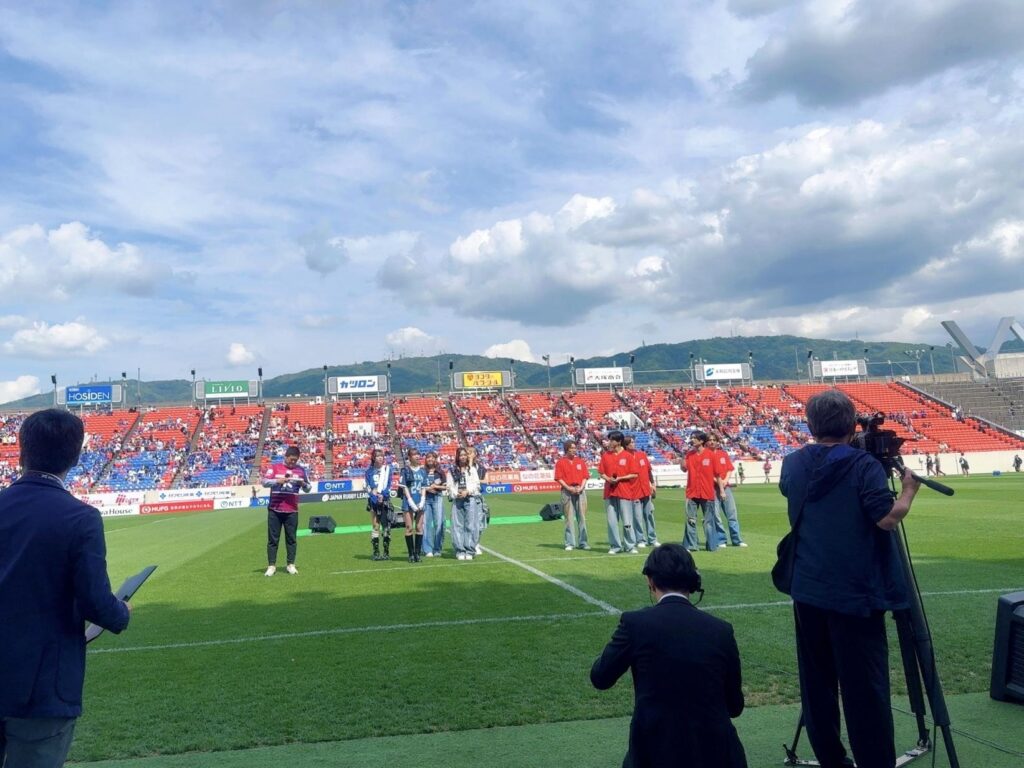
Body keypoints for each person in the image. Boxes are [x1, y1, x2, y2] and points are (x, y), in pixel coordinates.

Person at [779, 389, 920, 768]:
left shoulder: (792, 463)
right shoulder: (863, 465)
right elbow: (886, 518)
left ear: (811, 425)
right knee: (864, 689)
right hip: (856, 593)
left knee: (817, 684)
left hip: (808, 587)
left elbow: (793, 489)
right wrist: (908, 491)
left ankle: (831, 759)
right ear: (851, 425)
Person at [0, 409, 132, 767]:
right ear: (75, 457)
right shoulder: (80, 517)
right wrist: (121, 612)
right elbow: (95, 602)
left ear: (22, 451)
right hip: (42, 687)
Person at [590, 544, 746, 768]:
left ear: (650, 581)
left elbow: (600, 677)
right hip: (717, 755)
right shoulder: (721, 630)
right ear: (694, 582)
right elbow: (734, 706)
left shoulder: (635, 624)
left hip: (655, 752)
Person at [262, 445, 311, 576]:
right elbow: (264, 482)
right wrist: (277, 481)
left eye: (295, 460)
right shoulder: (275, 468)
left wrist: (303, 484)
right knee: (273, 540)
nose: (292, 462)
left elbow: (308, 488)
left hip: (292, 510)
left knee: (291, 539)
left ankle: (290, 564)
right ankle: (271, 566)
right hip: (275, 509)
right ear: (286, 457)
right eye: (291, 459)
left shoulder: (301, 470)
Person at [598, 430, 639, 554]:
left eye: (612, 440)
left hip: (624, 492)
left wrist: (620, 478)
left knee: (627, 521)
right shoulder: (606, 455)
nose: (609, 442)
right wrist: (608, 479)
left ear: (619, 441)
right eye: (609, 440)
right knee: (612, 521)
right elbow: (601, 472)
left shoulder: (628, 456)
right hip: (609, 492)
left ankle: (630, 546)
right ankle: (615, 546)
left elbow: (634, 474)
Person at [683, 432, 722, 552]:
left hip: (707, 493)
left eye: (694, 438)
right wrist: (682, 459)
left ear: (701, 441)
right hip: (692, 492)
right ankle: (692, 545)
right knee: (691, 520)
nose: (692, 440)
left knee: (709, 521)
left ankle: (711, 545)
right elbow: (684, 469)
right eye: (692, 438)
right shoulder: (689, 455)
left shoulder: (711, 455)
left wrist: (722, 490)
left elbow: (718, 474)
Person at [708, 435, 746, 548]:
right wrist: (720, 483)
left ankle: (737, 540)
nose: (712, 442)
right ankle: (721, 540)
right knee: (716, 516)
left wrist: (725, 481)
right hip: (713, 488)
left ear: (717, 442)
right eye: (710, 440)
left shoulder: (723, 454)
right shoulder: (706, 456)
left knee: (732, 514)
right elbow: (708, 473)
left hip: (726, 487)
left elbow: (729, 469)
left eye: (714, 440)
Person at [446, 446, 482, 561]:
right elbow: (449, 486)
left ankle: (469, 550)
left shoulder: (472, 470)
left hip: (470, 499)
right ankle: (460, 550)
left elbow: (477, 485)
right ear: (457, 457)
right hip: (457, 500)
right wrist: (456, 493)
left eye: (464, 455)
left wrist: (468, 491)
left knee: (471, 525)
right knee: (457, 526)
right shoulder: (452, 470)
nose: (463, 457)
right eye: (461, 455)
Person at [623, 435, 659, 548]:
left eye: (634, 442)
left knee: (649, 515)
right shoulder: (624, 457)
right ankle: (640, 539)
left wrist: (652, 484)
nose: (634, 444)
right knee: (637, 518)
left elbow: (649, 471)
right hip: (634, 491)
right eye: (631, 442)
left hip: (646, 490)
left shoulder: (641, 455)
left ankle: (652, 539)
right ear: (626, 445)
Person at [554, 439, 590, 551]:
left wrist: (581, 487)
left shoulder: (580, 461)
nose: (574, 450)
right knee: (569, 518)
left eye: (575, 448)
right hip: (567, 491)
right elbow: (558, 478)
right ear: (567, 449)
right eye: (572, 448)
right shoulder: (560, 462)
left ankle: (583, 542)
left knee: (582, 518)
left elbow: (585, 476)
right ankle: (570, 543)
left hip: (580, 490)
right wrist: (568, 488)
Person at [364, 448, 396, 561]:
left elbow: (389, 485)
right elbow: (368, 487)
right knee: (375, 526)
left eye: (382, 456)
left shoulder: (387, 470)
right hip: (373, 502)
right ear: (374, 458)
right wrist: (374, 497)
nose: (380, 458)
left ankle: (386, 552)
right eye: (378, 456)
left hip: (385, 500)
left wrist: (383, 495)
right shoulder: (369, 472)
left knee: (386, 527)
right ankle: (376, 552)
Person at [397, 448, 428, 563]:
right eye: (414, 455)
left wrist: (423, 500)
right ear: (409, 457)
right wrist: (410, 501)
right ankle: (411, 554)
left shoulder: (423, 471)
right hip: (408, 501)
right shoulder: (405, 470)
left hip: (420, 501)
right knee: (409, 527)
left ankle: (417, 554)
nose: (417, 456)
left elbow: (424, 487)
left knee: (419, 527)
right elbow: (404, 487)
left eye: (418, 454)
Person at [421, 451, 447, 557]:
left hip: (437, 498)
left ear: (435, 459)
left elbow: (445, 487)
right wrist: (427, 488)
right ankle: (427, 549)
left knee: (439, 524)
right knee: (425, 524)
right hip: (426, 499)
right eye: (428, 457)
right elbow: (418, 485)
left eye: (432, 457)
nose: (430, 459)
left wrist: (436, 487)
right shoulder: (422, 471)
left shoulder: (440, 472)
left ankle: (437, 548)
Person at [467, 446, 487, 556]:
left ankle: (476, 544)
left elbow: (486, 481)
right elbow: (467, 477)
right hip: (467, 497)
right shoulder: (463, 467)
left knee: (479, 523)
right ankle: (468, 544)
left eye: (470, 452)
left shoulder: (481, 468)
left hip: (478, 497)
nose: (468, 454)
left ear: (475, 454)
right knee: (468, 523)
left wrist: (475, 480)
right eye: (467, 453)